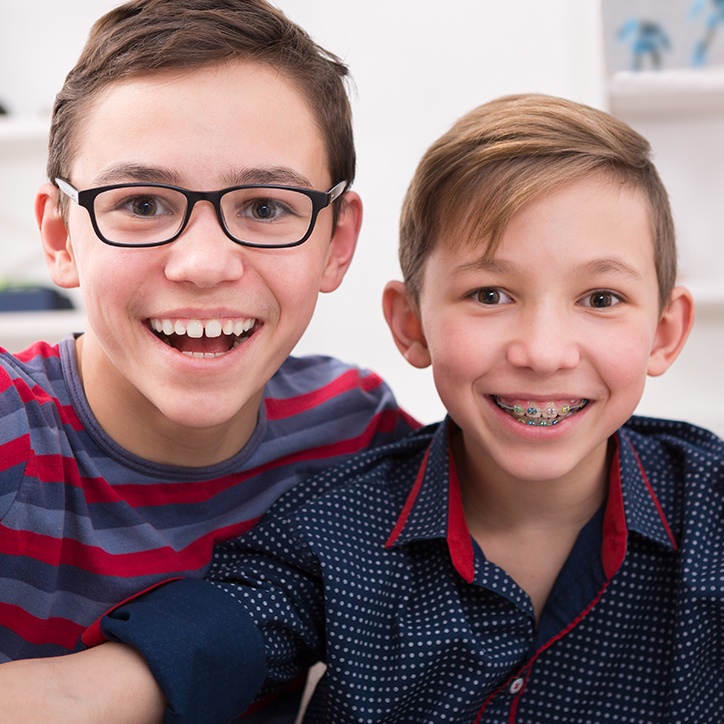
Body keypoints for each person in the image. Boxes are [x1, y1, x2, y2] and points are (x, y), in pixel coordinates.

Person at [90, 93, 724, 722]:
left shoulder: (711, 512)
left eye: (602, 298)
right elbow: (171, 661)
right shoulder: (333, 528)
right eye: (491, 293)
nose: (544, 352)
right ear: (411, 324)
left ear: (665, 332)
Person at [0, 0, 416, 719]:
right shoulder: (12, 430)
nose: (203, 263)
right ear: (63, 237)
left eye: (264, 207)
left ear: (337, 242)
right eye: (142, 203)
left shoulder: (355, 432)